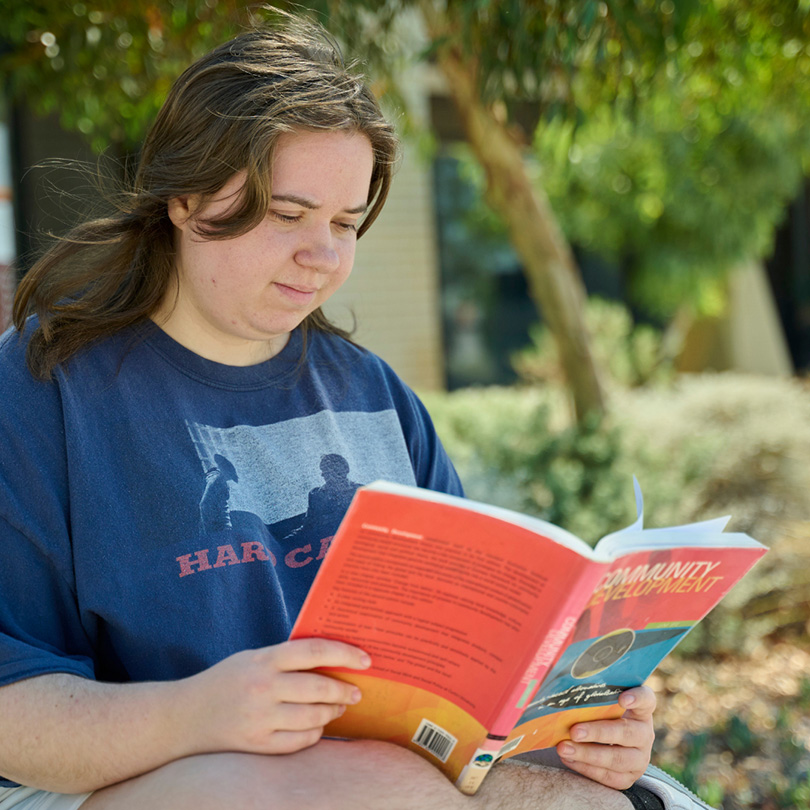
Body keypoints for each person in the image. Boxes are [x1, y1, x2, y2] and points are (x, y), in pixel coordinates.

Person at [0, 14, 708, 810]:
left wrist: (579, 723)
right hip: (126, 777)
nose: (325, 256)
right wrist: (195, 712)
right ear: (186, 194)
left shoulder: (373, 394)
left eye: (345, 223)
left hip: (391, 771)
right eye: (288, 213)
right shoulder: (42, 391)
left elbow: (473, 671)